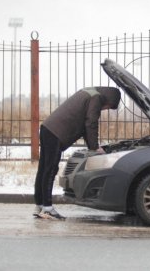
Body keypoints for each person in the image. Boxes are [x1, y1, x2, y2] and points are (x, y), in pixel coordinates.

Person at [33, 86, 121, 220]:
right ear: (109, 100)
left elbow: (85, 125)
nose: (105, 109)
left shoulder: (89, 93)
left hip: (48, 128)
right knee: (50, 170)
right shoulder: (96, 98)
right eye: (108, 107)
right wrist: (95, 147)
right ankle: (47, 209)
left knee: (44, 169)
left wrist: (92, 146)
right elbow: (91, 123)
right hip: (56, 132)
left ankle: (40, 205)